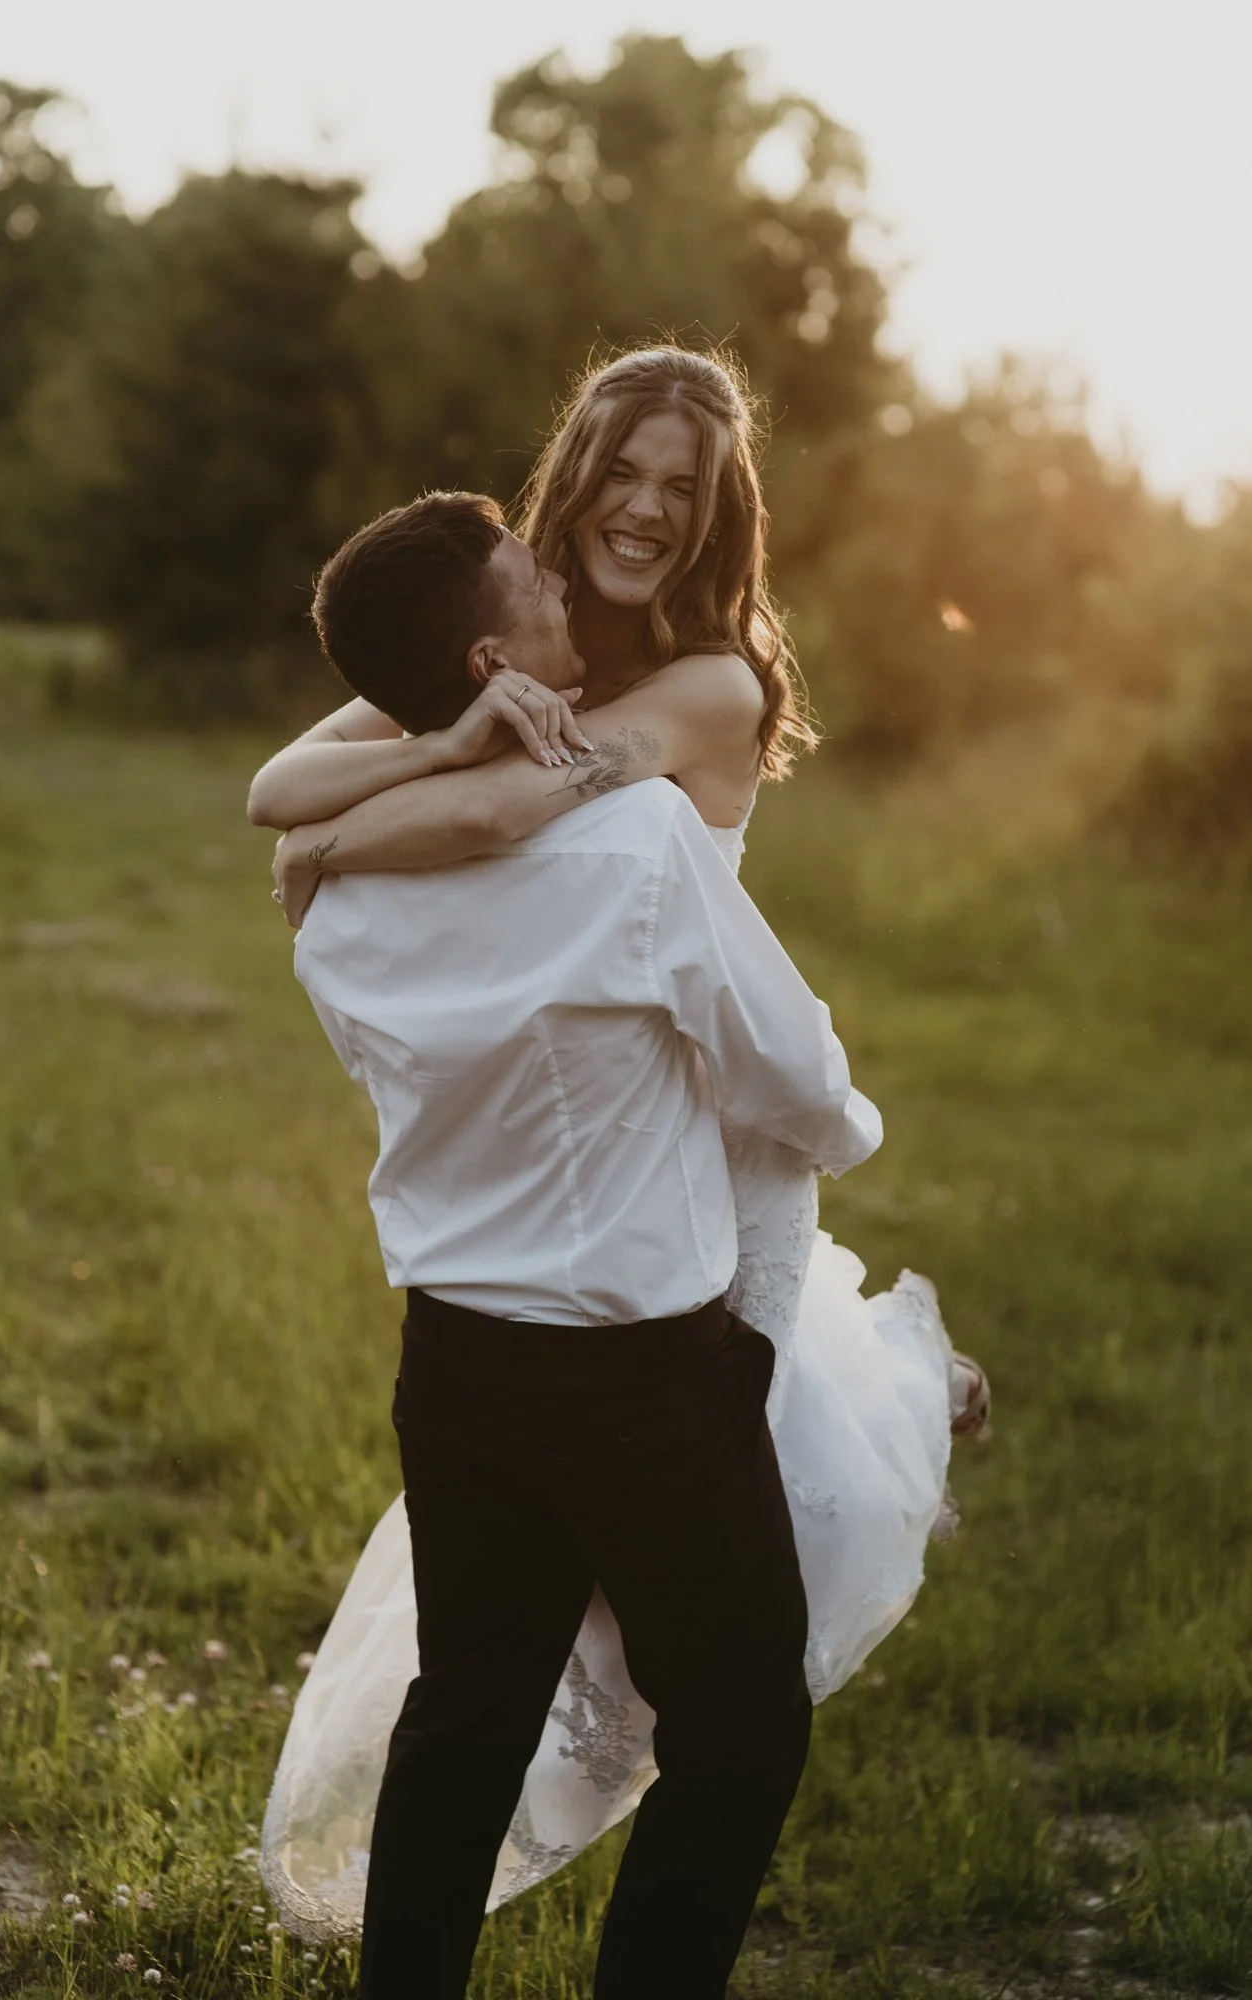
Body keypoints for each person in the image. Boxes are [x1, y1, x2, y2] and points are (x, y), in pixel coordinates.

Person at [254, 348, 989, 1953]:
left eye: (684, 487)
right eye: (622, 473)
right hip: (589, 1191)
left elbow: (494, 820)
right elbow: (277, 784)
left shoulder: (699, 686)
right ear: (568, 477)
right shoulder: (496, 660)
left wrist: (345, 830)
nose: (644, 509)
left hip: (689, 1168)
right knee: (571, 1683)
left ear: (722, 518)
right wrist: (431, 751)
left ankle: (897, 1386)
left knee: (650, 1631)